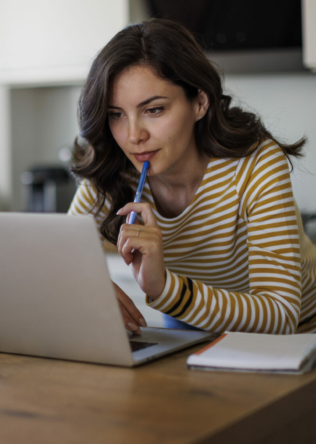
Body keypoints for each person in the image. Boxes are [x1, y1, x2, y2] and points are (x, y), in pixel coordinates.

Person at [68, 18, 316, 335]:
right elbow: (60, 262)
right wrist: (87, 290)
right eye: (116, 115)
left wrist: (166, 288)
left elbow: (280, 314)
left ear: (199, 103)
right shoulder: (111, 170)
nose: (134, 136)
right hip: (191, 328)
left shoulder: (256, 164)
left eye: (154, 110)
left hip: (296, 338)